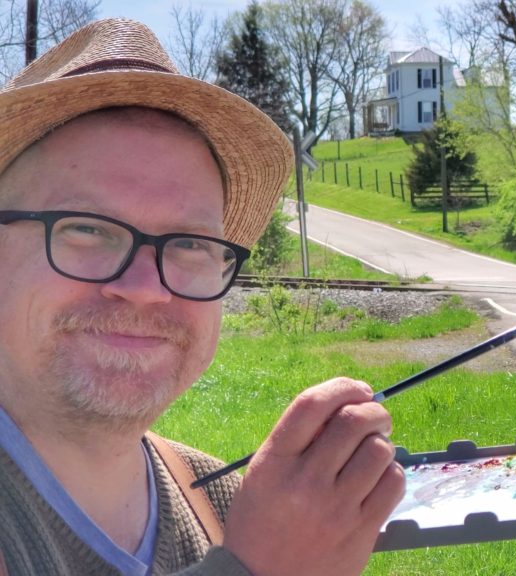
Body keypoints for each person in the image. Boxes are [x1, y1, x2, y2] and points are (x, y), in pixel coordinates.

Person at [0, 18, 405, 576]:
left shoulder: (226, 502)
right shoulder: (261, 542)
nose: (146, 289)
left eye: (188, 243)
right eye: (86, 229)